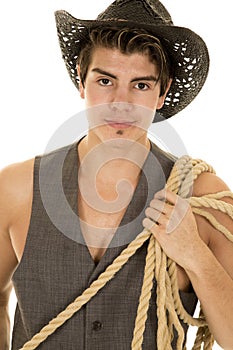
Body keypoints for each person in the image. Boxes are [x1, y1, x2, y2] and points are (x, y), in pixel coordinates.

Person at [0, 0, 233, 349]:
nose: (121, 102)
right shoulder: (16, 189)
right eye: (106, 80)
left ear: (162, 92)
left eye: (140, 85)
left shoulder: (203, 198)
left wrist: (195, 254)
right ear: (82, 80)